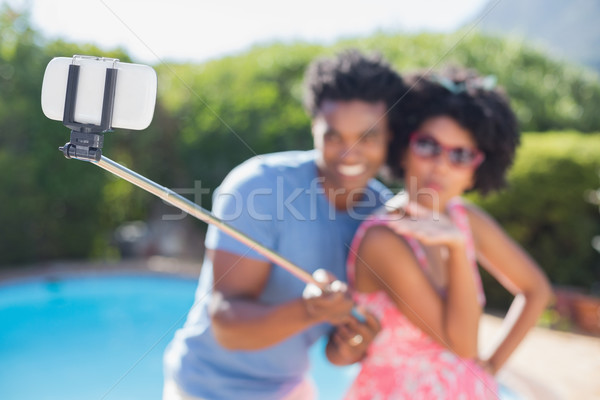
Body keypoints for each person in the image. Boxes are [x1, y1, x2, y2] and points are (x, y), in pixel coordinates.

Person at [163, 50, 407, 400]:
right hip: (203, 388)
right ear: (314, 129)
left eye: (367, 137)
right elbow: (227, 326)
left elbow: (336, 352)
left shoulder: (382, 217)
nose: (349, 154)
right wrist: (309, 310)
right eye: (334, 136)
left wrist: (354, 341)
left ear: (389, 138)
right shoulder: (257, 188)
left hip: (289, 389)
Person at [342, 69, 552, 399]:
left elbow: (535, 289)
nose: (440, 165)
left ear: (476, 171)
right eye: (428, 145)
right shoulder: (384, 238)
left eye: (461, 155)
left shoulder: (464, 217)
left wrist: (493, 366)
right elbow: (463, 344)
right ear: (402, 148)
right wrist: (456, 249)